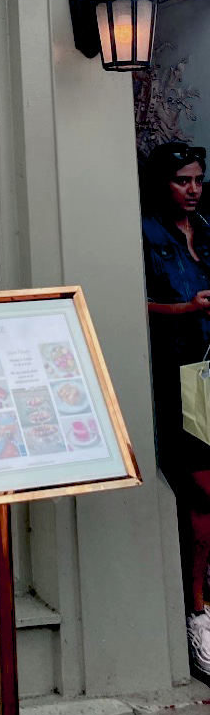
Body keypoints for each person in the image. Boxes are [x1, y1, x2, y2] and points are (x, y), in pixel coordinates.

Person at [141, 141, 210, 674]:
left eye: (198, 180)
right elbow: (129, 299)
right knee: (196, 495)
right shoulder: (144, 233)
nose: (192, 189)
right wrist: (185, 307)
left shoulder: (206, 229)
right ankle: (195, 612)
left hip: (208, 373)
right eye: (182, 180)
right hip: (174, 376)